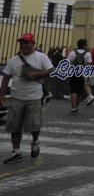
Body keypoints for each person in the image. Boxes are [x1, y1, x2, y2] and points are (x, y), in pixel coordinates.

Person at [0, 33, 54, 164]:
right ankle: (16, 152)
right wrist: (1, 94)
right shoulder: (13, 60)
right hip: (16, 97)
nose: (23, 45)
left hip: (34, 97)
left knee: (34, 125)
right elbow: (6, 76)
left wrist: (36, 74)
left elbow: (51, 71)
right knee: (14, 126)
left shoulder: (42, 57)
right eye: (22, 43)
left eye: (26, 43)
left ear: (33, 44)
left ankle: (35, 142)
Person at [66, 38, 92, 114]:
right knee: (79, 92)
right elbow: (88, 65)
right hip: (82, 75)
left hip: (73, 74)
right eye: (86, 45)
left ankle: (73, 108)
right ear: (83, 45)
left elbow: (68, 62)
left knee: (73, 91)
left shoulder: (72, 53)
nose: (87, 46)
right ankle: (77, 107)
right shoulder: (88, 54)